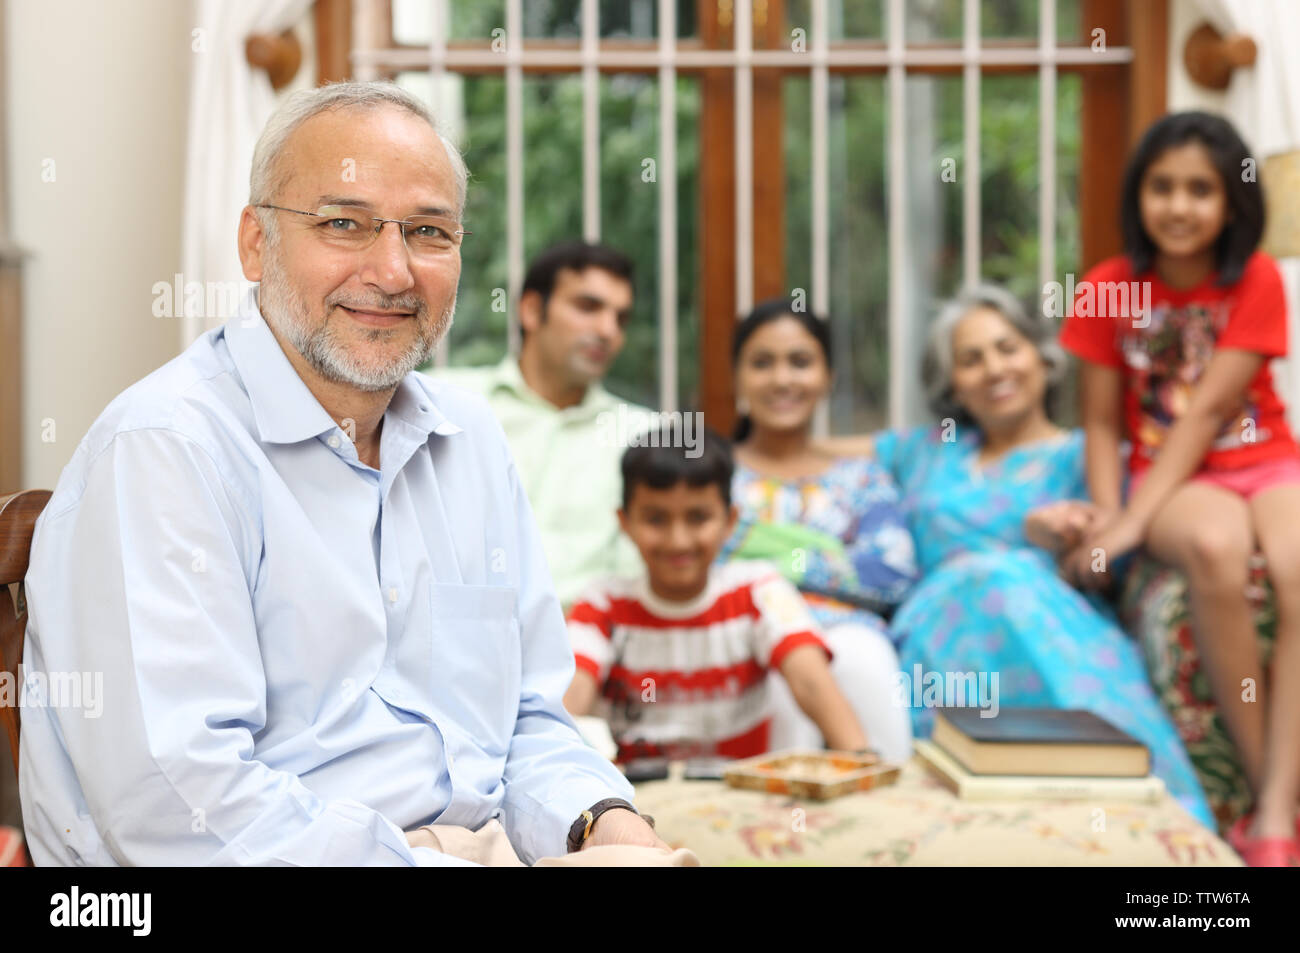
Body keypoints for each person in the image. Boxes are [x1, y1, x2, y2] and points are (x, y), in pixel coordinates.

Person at [18, 81, 692, 867]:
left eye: (429, 231)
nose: (394, 270)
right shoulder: (165, 451)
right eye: (344, 224)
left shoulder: (470, 440)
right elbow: (180, 808)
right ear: (254, 243)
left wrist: (605, 823)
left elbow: (530, 719)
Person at [833, 284, 1213, 827]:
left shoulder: (1084, 453)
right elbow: (805, 455)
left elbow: (1108, 567)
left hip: (1048, 624)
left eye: (1007, 348)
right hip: (937, 633)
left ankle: (1163, 834)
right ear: (953, 385)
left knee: (1006, 585)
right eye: (971, 359)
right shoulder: (925, 449)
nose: (993, 369)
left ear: (1041, 355)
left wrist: (1062, 541)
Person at [1059, 111, 1300, 866]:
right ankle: (1274, 810)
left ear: (1232, 202)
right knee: (1213, 545)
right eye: (1163, 186)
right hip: (1177, 477)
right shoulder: (1106, 287)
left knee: (1298, 567)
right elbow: (1101, 424)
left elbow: (1205, 414)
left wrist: (1130, 526)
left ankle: (1271, 806)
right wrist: (1109, 518)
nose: (1180, 206)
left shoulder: (1255, 278)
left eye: (1202, 189)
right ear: (1139, 195)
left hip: (1260, 456)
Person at [563, 424, 870, 761]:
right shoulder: (602, 603)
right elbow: (571, 697)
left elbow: (811, 682)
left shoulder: (758, 590)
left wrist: (863, 761)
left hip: (739, 797)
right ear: (625, 522)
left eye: (698, 518)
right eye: (655, 519)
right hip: (629, 805)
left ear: (730, 521)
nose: (678, 540)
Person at [718, 299, 917, 763]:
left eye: (800, 362)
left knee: (865, 660)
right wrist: (831, 551)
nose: (782, 379)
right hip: (740, 637)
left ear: (828, 377)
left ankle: (889, 810)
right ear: (737, 378)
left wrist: (762, 559)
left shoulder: (862, 478)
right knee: (778, 671)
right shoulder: (710, 474)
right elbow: (693, 567)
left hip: (851, 638)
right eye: (762, 363)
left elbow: (893, 572)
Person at [435, 241, 648, 610]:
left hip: (588, 652)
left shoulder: (642, 435)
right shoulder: (446, 403)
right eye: (588, 307)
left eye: (621, 319)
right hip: (450, 640)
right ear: (532, 310)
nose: (607, 330)